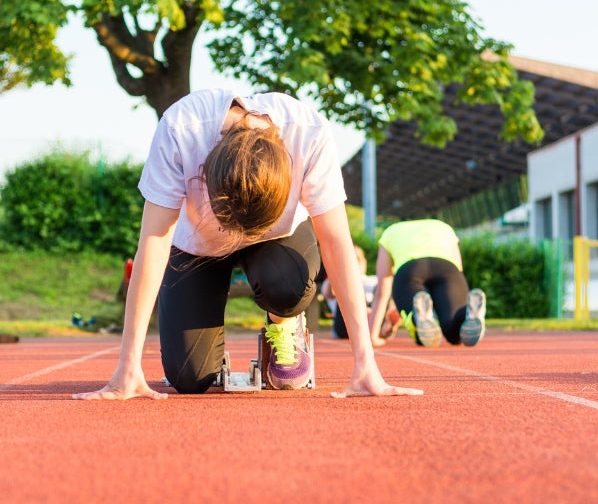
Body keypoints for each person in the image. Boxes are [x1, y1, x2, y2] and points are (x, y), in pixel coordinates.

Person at [73, 89, 422, 400]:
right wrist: (128, 365)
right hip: (198, 244)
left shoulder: (309, 133)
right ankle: (202, 354)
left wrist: (366, 362)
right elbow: (153, 241)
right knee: (189, 379)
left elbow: (335, 242)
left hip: (277, 239)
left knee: (289, 286)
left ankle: (284, 322)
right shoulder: (181, 129)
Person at [368, 219, 486, 348]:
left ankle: (418, 318)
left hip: (410, 270)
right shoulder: (444, 227)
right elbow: (459, 268)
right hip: (447, 269)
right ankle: (467, 314)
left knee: (421, 335)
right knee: (453, 333)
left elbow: (383, 289)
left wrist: (373, 336)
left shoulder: (390, 232)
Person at [321, 245, 401, 341]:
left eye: (358, 259)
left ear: (365, 262)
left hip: (372, 323)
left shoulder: (374, 281)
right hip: (345, 328)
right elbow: (327, 293)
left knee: (386, 287)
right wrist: (336, 271)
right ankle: (371, 319)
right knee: (353, 287)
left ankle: (384, 325)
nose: (354, 263)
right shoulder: (337, 281)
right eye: (350, 259)